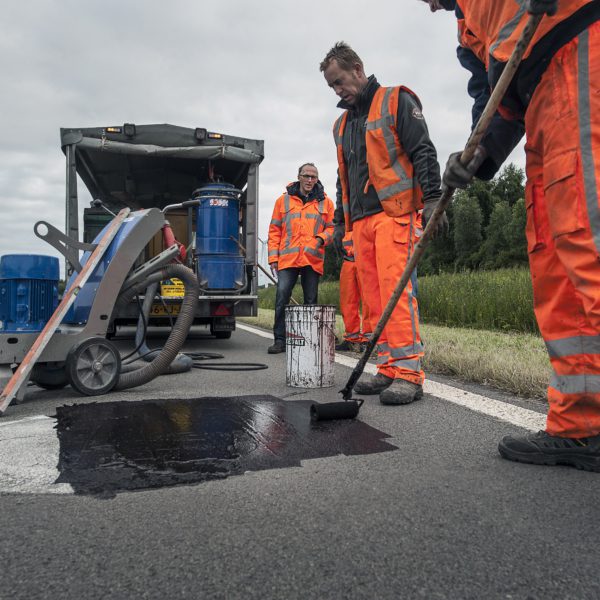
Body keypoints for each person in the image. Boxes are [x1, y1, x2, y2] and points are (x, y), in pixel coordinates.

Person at [420, 0, 600, 471]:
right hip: (539, 97)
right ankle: (582, 427)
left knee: (591, 244)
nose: (430, 5)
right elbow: (495, 102)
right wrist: (476, 154)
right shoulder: (470, 28)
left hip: (581, 54)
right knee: (557, 270)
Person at [320, 42, 445, 404]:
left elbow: (423, 149)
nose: (338, 90)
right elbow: (344, 176)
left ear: (358, 69)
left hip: (396, 214)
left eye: (340, 81)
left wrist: (434, 198)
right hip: (360, 223)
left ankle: (409, 372)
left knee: (397, 295)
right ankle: (388, 367)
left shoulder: (395, 100)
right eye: (332, 86)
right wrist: (341, 223)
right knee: (375, 300)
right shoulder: (341, 124)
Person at [267, 163, 335, 354]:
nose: (310, 180)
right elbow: (274, 230)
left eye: (313, 177)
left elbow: (332, 228)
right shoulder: (283, 201)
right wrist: (273, 257)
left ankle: (310, 340)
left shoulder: (326, 202)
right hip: (287, 260)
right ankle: (280, 340)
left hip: (312, 259)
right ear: (299, 177)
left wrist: (321, 239)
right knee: (282, 297)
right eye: (306, 176)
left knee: (311, 301)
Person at [336, 231, 372, 352]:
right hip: (348, 259)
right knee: (347, 300)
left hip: (367, 258)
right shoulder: (343, 212)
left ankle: (369, 340)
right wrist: (337, 233)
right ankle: (351, 339)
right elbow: (339, 220)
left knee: (369, 300)